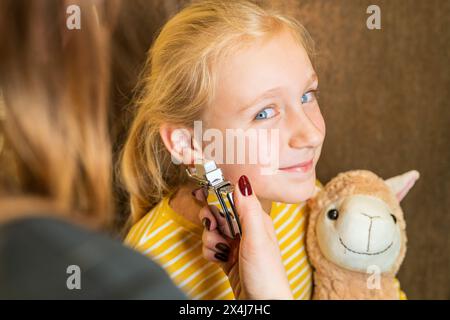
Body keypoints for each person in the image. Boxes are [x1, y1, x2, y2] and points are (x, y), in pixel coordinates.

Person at [0, 0, 292, 300]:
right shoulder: (134, 269)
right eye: (264, 113)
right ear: (188, 144)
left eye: (309, 95)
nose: (309, 133)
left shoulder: (303, 200)